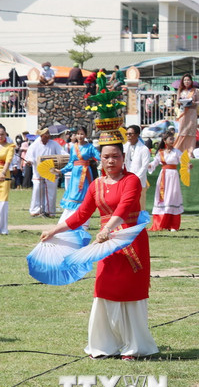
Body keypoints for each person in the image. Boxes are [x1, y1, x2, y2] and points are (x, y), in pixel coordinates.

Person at [39, 120, 158, 360]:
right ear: (99, 159)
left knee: (130, 292)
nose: (111, 161)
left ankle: (134, 347)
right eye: (106, 157)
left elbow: (124, 209)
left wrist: (108, 230)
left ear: (123, 158)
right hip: (105, 245)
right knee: (104, 290)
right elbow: (81, 214)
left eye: (115, 156)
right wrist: (55, 229)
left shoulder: (132, 180)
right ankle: (105, 346)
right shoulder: (96, 185)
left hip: (129, 240)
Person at [56, 126, 100, 224]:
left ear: (86, 135)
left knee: (84, 195)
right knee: (74, 194)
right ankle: (68, 219)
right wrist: (61, 171)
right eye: (78, 134)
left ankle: (83, 221)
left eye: (82, 134)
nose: (79, 136)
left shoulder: (90, 147)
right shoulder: (73, 147)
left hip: (86, 174)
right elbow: (71, 163)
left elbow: (99, 156)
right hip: (75, 174)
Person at [147, 131, 184, 231]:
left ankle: (173, 225)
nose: (173, 140)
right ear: (165, 140)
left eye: (173, 139)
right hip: (164, 176)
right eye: (170, 139)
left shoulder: (177, 152)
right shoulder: (161, 153)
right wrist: (149, 165)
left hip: (173, 176)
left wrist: (188, 165)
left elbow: (183, 161)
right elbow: (154, 162)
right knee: (162, 197)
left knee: (172, 197)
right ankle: (160, 224)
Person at [27, 128, 66, 217]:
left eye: (48, 133)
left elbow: (62, 152)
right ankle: (35, 210)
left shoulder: (54, 144)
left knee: (51, 191)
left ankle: (50, 211)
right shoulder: (34, 145)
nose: (48, 136)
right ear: (41, 135)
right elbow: (30, 156)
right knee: (37, 190)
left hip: (51, 171)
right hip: (38, 171)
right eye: (46, 134)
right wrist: (30, 161)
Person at [124, 125, 151, 210]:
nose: (128, 136)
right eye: (127, 134)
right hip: (126, 180)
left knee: (140, 206)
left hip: (139, 181)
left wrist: (135, 179)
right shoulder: (124, 147)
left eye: (130, 134)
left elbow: (144, 166)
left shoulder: (144, 149)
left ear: (137, 134)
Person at [174, 74, 199, 155]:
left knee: (191, 132)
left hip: (192, 113)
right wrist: (180, 102)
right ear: (183, 81)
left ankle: (190, 152)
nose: (187, 82)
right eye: (185, 80)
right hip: (183, 113)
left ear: (191, 81)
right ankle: (178, 150)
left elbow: (198, 102)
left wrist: (192, 102)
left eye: (188, 80)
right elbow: (177, 102)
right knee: (182, 131)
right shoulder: (180, 91)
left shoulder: (195, 91)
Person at [0, 125, 15, 234]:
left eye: (2, 134)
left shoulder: (10, 146)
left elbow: (8, 161)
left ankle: (3, 228)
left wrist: (3, 173)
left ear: (5, 135)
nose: (0, 136)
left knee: (3, 202)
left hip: (4, 176)